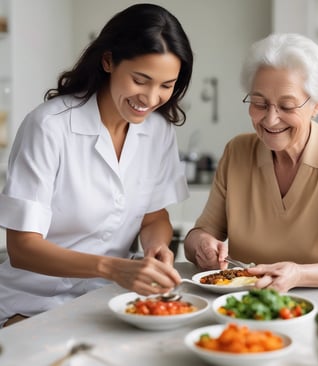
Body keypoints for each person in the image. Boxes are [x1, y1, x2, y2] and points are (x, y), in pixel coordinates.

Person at [0, 3, 193, 327]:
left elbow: (154, 217)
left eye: (166, 85)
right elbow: (22, 248)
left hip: (110, 298)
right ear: (108, 61)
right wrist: (112, 267)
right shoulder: (50, 126)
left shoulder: (158, 131)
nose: (151, 98)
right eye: (140, 80)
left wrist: (156, 248)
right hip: (32, 301)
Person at [184, 33, 318, 292]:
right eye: (259, 103)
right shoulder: (238, 152)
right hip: (242, 307)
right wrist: (203, 245)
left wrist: (299, 275)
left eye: (287, 106)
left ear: (316, 105)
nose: (271, 119)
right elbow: (197, 235)